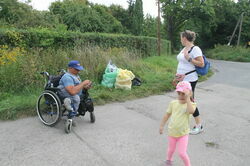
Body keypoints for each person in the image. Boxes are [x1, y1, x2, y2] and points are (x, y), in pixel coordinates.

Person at [173, 30, 204, 135]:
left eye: (181, 37)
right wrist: (176, 76)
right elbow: (182, 63)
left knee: (190, 101)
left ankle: (199, 126)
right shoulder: (184, 48)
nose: (180, 39)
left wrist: (189, 58)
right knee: (183, 101)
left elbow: (201, 64)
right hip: (181, 79)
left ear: (184, 38)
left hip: (190, 80)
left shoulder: (195, 49)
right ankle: (183, 123)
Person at [159, 81, 196, 166]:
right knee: (171, 149)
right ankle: (168, 161)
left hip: (183, 134)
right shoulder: (173, 103)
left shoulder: (190, 104)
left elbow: (191, 111)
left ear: (189, 93)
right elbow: (167, 115)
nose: (181, 96)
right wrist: (161, 126)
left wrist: (188, 99)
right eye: (179, 93)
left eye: (183, 94)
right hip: (172, 132)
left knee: (182, 153)